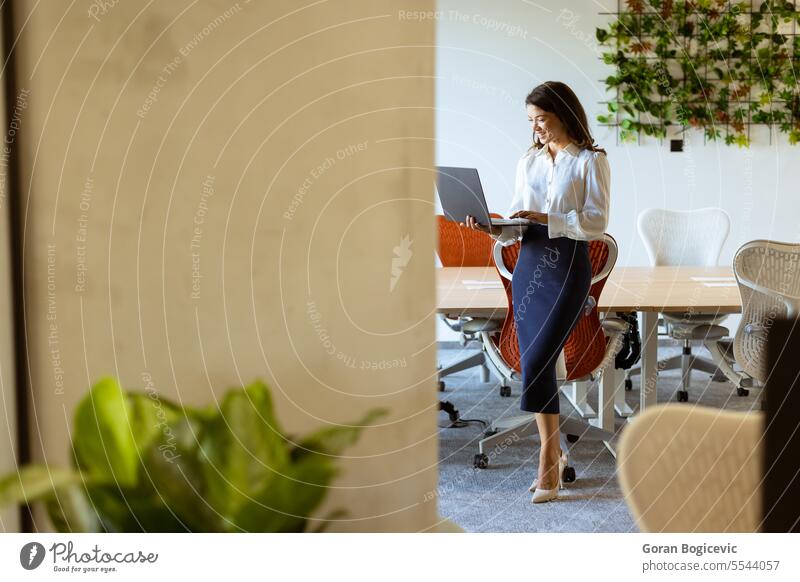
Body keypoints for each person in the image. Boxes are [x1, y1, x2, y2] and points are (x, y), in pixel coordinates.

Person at [461, 81, 610, 503]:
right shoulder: (528, 160)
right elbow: (518, 220)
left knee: (541, 355)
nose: (536, 128)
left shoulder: (590, 162)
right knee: (533, 361)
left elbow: (596, 223)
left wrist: (547, 217)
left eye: (541, 119)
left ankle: (548, 460)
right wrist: (496, 229)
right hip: (528, 262)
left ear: (564, 114)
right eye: (530, 121)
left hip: (566, 266)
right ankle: (551, 459)